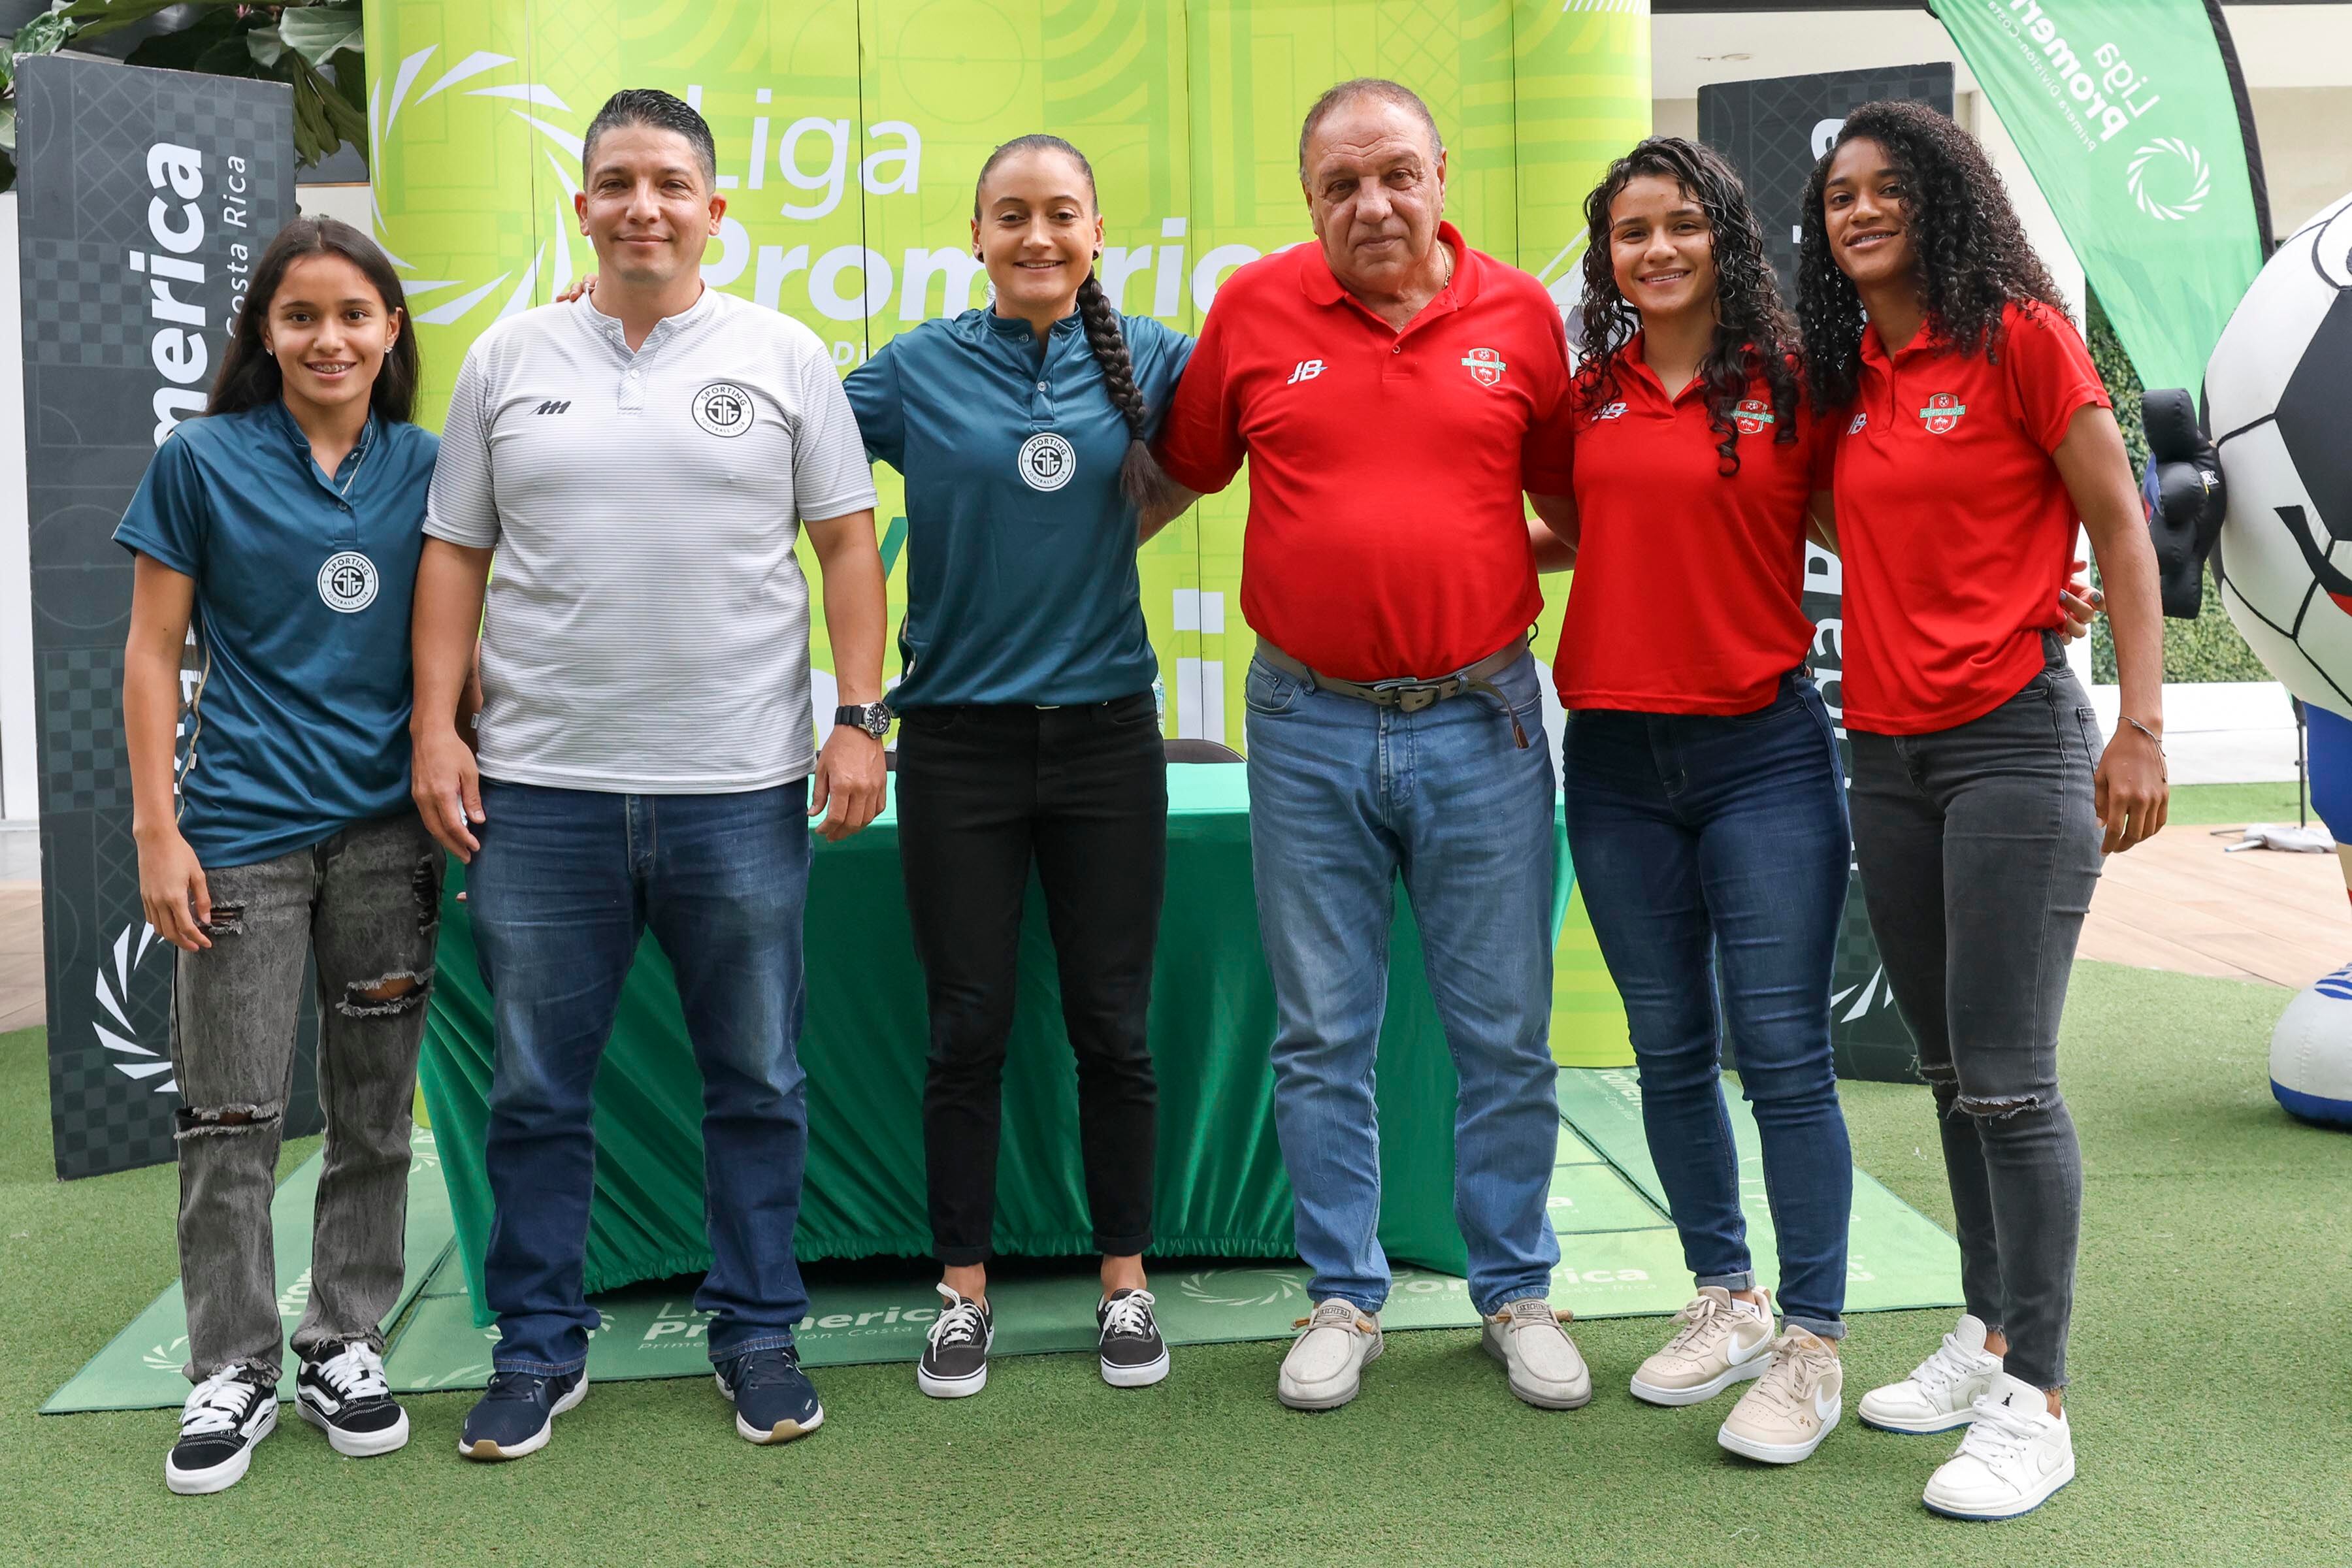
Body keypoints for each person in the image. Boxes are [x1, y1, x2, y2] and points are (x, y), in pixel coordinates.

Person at [410, 89, 889, 1460]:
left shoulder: (784, 355)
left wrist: (861, 716)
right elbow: (455, 554)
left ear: (714, 210)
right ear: (582, 207)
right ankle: (537, 1347)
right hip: (541, 792)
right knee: (534, 1091)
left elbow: (847, 545)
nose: (643, 207)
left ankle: (758, 1331)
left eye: (671, 184)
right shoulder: (507, 357)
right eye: (616, 182)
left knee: (758, 1080)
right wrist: (437, 726)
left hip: (738, 788)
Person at [1154, 78, 1588, 1414]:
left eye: (1397, 173)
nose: (1374, 203)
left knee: (1504, 1034)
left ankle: (1515, 1290)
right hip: (1305, 725)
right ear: (1309, 200)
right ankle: (1344, 1294)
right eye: (1341, 184)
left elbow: (1579, 512)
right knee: (1321, 1033)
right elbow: (1175, 477)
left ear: (1441, 172)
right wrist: (1027, 574)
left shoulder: (1520, 319)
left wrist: (1461, 561)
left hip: (1482, 719)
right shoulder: (1252, 312)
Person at [1798, 100, 2168, 1520]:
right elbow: (1840, 516)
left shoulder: (2021, 335)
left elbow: (2120, 522)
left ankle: (2041, 1403)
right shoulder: (1851, 377)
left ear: (1943, 196)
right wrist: (2008, 559)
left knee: (2010, 1079)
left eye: (1888, 186)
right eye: (1840, 195)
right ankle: (1990, 1332)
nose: (1860, 210)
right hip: (1886, 758)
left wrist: (2141, 725)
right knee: (1952, 1073)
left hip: (2016, 746)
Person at [842, 135, 1194, 1399]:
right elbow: (772, 430)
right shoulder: (916, 368)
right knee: (966, 1028)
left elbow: (1255, 427)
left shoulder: (1158, 356)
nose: (1036, 236)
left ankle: (1125, 1283)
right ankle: (962, 1294)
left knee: (1114, 1028)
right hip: (958, 744)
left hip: (1109, 740)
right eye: (1011, 215)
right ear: (977, 235)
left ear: (1096, 230)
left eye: (1060, 213)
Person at [1535, 137, 1855, 1465]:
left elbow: (1881, 520)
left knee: (1782, 1055)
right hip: (1614, 762)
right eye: (1631, 232)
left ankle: (1812, 1341)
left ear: (1727, 237)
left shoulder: (1795, 382)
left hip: (1763, 755)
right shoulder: (1582, 394)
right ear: (1607, 256)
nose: (1656, 250)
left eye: (1681, 225)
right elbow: (1565, 526)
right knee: (1667, 1048)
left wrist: (2031, 586)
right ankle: (1726, 1295)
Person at [118, 217, 441, 1494]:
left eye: (354, 314)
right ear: (266, 329)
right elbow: (153, 651)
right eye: (301, 315)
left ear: (391, 330)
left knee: (374, 1113)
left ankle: (343, 1342)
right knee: (230, 1116)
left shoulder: (429, 466)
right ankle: (233, 1366)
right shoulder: (199, 461)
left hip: (389, 840)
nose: (329, 339)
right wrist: (158, 828)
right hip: (240, 834)